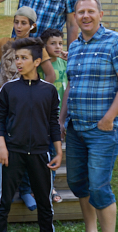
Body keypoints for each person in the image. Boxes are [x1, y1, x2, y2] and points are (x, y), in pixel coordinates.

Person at [60, 0, 118, 232]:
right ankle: (90, 229)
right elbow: (70, 85)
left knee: (98, 188)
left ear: (100, 15)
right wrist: (62, 118)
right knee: (77, 183)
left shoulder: (113, 42)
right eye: (80, 12)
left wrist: (109, 118)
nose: (85, 16)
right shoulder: (74, 46)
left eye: (90, 11)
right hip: (75, 128)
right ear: (75, 17)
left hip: (101, 130)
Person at [0, 37, 63, 232]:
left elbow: (53, 124)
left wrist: (58, 151)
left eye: (24, 58)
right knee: (3, 202)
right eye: (17, 58)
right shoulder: (8, 89)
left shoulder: (49, 91)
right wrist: (2, 147)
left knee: (44, 204)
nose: (19, 62)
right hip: (12, 152)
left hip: (41, 154)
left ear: (37, 62)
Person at [0, 6, 56, 99]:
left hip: (25, 100)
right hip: (2, 98)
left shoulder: (37, 47)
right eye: (16, 22)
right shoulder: (4, 43)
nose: (19, 26)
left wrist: (37, 94)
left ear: (32, 26)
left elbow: (51, 75)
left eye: (23, 23)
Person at [38, 28, 67, 204]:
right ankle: (37, 186)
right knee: (43, 152)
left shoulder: (65, 63)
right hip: (43, 117)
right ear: (44, 46)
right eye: (53, 43)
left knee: (54, 152)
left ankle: (51, 186)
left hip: (59, 117)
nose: (57, 47)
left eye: (60, 43)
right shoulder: (42, 64)